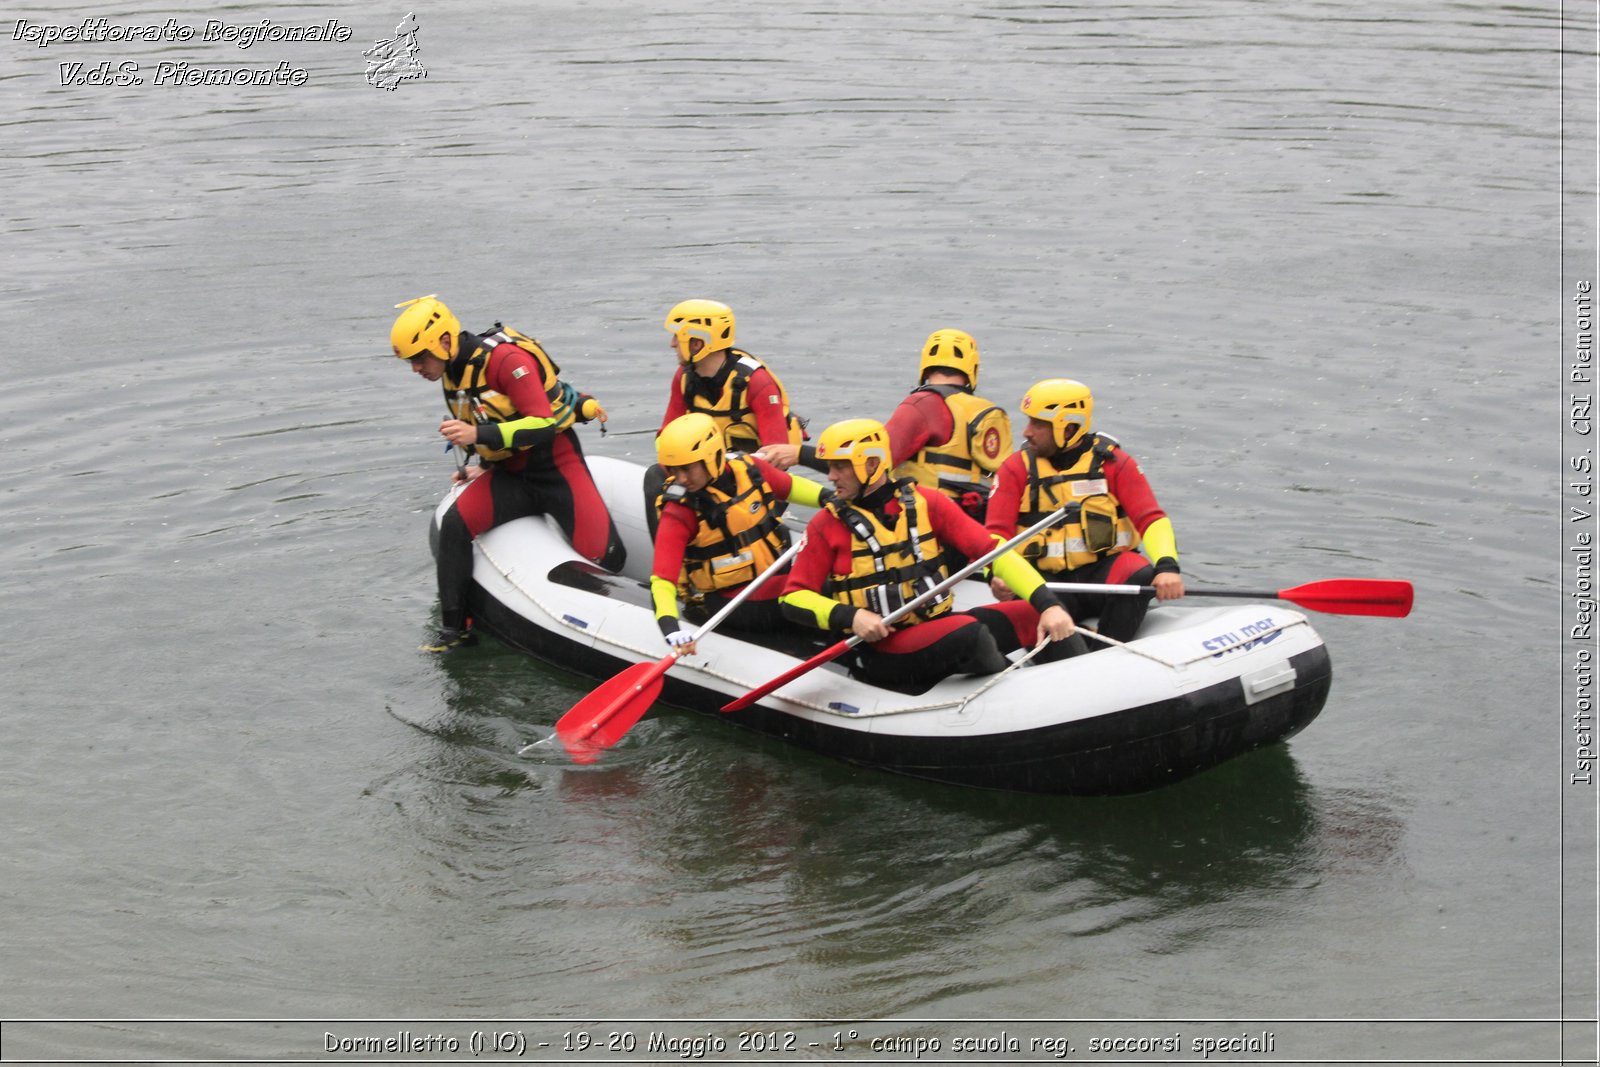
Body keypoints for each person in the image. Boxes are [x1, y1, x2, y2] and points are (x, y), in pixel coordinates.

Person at [779, 418, 1083, 694]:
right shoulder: (826, 524)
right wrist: (852, 616)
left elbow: (993, 551)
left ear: (871, 464)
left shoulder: (927, 503)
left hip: (935, 625)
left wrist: (1049, 604)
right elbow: (792, 598)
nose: (830, 476)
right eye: (829, 466)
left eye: (839, 466)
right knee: (970, 635)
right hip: (883, 649)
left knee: (1037, 613)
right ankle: (1024, 699)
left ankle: (1085, 688)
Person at [391, 295, 625, 652]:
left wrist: (477, 436)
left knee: (607, 557)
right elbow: (484, 418)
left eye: (419, 358)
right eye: (411, 361)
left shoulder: (506, 360)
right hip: (510, 474)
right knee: (455, 526)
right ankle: (454, 632)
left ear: (443, 341)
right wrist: (482, 465)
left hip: (555, 466)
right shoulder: (451, 371)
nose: (416, 368)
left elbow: (543, 424)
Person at [984, 378, 1184, 645]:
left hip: (1102, 578)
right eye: (1029, 421)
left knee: (1139, 570)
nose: (1027, 432)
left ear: (1069, 428)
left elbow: (1151, 519)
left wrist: (1167, 567)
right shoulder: (1014, 469)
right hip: (1047, 584)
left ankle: (1108, 648)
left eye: (1038, 424)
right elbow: (994, 537)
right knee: (1028, 602)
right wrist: (993, 576)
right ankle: (1065, 652)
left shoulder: (1114, 464)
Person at [759, 328, 1010, 521]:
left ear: (925, 367)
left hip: (929, 526)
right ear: (972, 370)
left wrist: (799, 454)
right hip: (976, 523)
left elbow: (870, 466)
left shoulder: (923, 404)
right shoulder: (988, 413)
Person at [649, 413, 833, 655]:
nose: (681, 478)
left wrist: (831, 499)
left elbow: (789, 487)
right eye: (674, 470)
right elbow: (663, 580)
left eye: (687, 468)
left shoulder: (748, 469)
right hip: (734, 602)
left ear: (712, 456)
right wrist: (670, 628)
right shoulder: (680, 511)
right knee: (833, 590)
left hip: (773, 576)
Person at [658, 299, 805, 452]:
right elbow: (666, 436)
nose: (672, 344)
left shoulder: (757, 382)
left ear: (697, 343)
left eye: (677, 336)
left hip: (754, 473)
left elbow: (776, 455)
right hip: (706, 471)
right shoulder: (683, 378)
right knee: (654, 473)